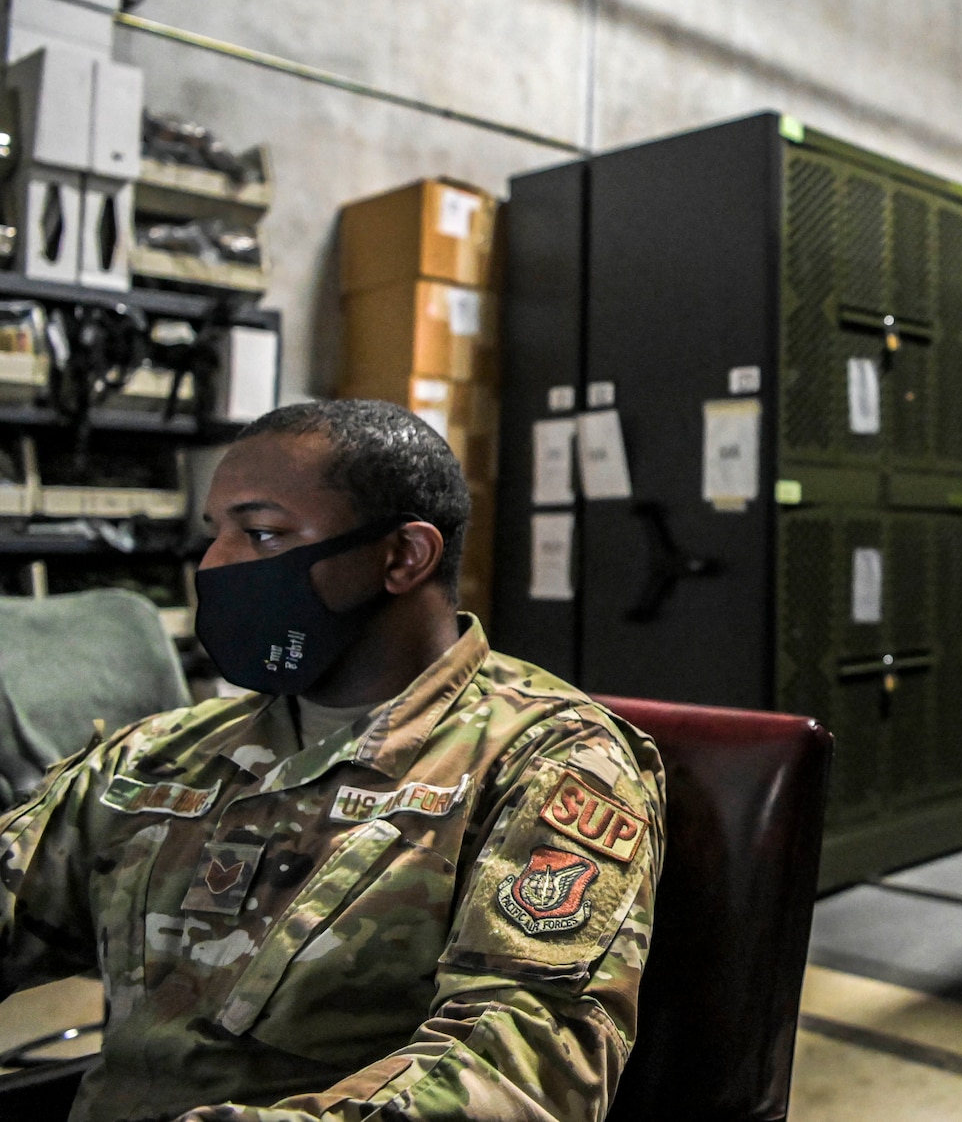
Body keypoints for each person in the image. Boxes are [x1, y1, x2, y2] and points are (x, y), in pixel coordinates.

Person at [0, 399, 666, 1122]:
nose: (215, 565)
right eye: (214, 533)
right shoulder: (166, 754)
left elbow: (523, 1070)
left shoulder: (550, 765)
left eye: (259, 534)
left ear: (404, 555)